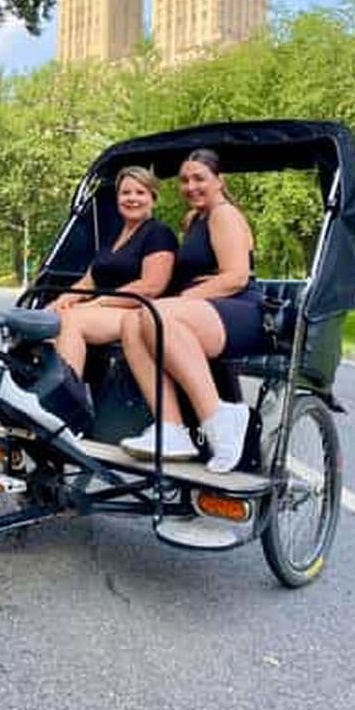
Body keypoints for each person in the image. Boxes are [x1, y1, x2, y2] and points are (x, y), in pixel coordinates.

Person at [119, 148, 266, 473]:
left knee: (155, 314)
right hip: (207, 307)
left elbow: (235, 276)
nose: (190, 186)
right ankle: (171, 429)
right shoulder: (194, 219)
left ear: (219, 180)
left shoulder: (224, 214)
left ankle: (220, 417)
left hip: (240, 307)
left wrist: (183, 300)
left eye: (199, 178)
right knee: (133, 320)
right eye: (184, 180)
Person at [49, 165, 179, 378]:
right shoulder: (113, 236)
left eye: (140, 192)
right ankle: (34, 391)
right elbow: (89, 282)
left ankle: (65, 398)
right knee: (45, 317)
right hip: (102, 310)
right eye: (125, 193)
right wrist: (62, 300)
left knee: (70, 321)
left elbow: (151, 287)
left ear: (153, 198)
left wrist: (98, 303)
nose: (132, 198)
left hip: (138, 313)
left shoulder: (158, 234)